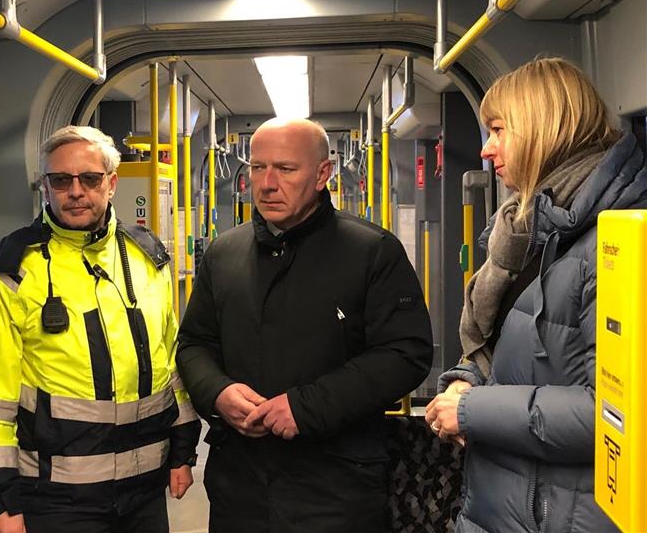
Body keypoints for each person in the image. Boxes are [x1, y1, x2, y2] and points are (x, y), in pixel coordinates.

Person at [177, 117, 433, 532]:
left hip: (337, 487)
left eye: (286, 169)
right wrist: (217, 392)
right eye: (258, 168)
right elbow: (194, 343)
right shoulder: (225, 254)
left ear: (322, 175)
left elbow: (405, 354)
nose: (267, 183)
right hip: (239, 486)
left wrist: (305, 407)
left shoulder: (372, 252)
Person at [425, 58, 647, 533]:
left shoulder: (615, 240)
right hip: (507, 503)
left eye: (499, 129)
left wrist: (469, 410)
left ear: (543, 128)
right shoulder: (529, 233)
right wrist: (466, 378)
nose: (486, 150)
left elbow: (613, 413)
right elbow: (508, 351)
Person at [0, 125, 201, 533]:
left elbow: (169, 365)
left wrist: (182, 449)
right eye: (60, 180)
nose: (75, 191)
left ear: (111, 183)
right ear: (46, 188)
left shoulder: (147, 258)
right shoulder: (12, 272)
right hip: (56, 501)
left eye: (89, 178)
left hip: (145, 491)